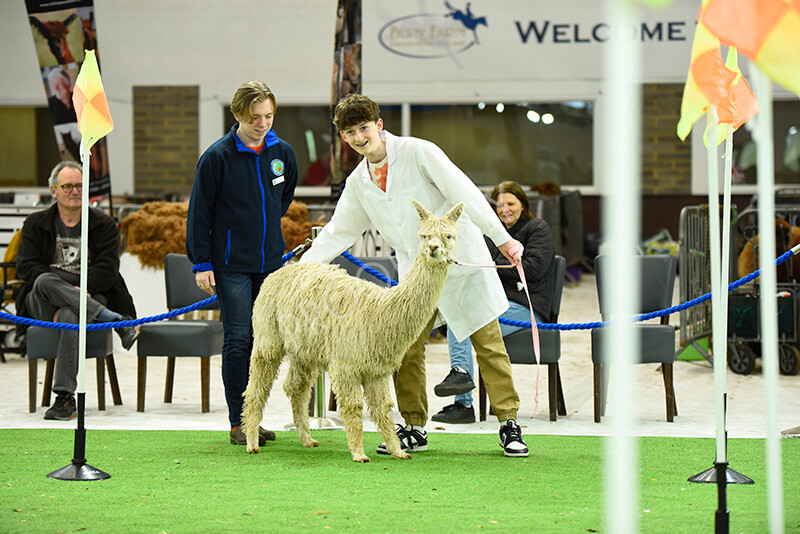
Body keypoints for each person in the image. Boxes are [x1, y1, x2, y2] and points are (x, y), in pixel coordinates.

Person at [300, 94, 529, 458]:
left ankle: (508, 423)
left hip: (458, 259)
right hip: (415, 273)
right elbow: (338, 231)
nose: (360, 137)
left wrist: (502, 239)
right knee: (404, 347)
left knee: (487, 342)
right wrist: (303, 269)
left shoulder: (419, 152)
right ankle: (413, 426)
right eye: (350, 132)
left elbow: (464, 192)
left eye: (364, 128)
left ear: (379, 125)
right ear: (343, 138)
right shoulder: (359, 181)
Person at [186, 81, 298, 446]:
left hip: (270, 264)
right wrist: (202, 262)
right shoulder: (217, 157)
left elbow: (282, 198)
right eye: (254, 118)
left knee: (266, 342)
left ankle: (256, 418)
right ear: (237, 115)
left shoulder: (282, 152)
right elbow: (199, 213)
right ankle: (239, 422)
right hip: (230, 265)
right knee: (239, 339)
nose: (263, 123)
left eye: (268, 116)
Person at [15, 161, 138, 421]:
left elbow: (107, 270)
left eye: (80, 186)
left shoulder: (104, 224)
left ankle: (64, 399)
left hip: (93, 292)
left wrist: (81, 288)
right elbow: (27, 269)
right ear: (54, 190)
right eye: (67, 186)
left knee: (73, 314)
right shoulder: (35, 223)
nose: (74, 191)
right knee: (45, 281)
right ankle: (114, 320)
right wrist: (72, 284)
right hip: (43, 301)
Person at [432, 180, 556, 424]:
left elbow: (532, 269)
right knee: (460, 320)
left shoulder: (537, 228)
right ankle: (463, 394)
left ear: (523, 204)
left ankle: (464, 403)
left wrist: (488, 268)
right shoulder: (488, 233)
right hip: (494, 302)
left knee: (466, 323)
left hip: (526, 308)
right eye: (499, 205)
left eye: (511, 203)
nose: (505, 209)